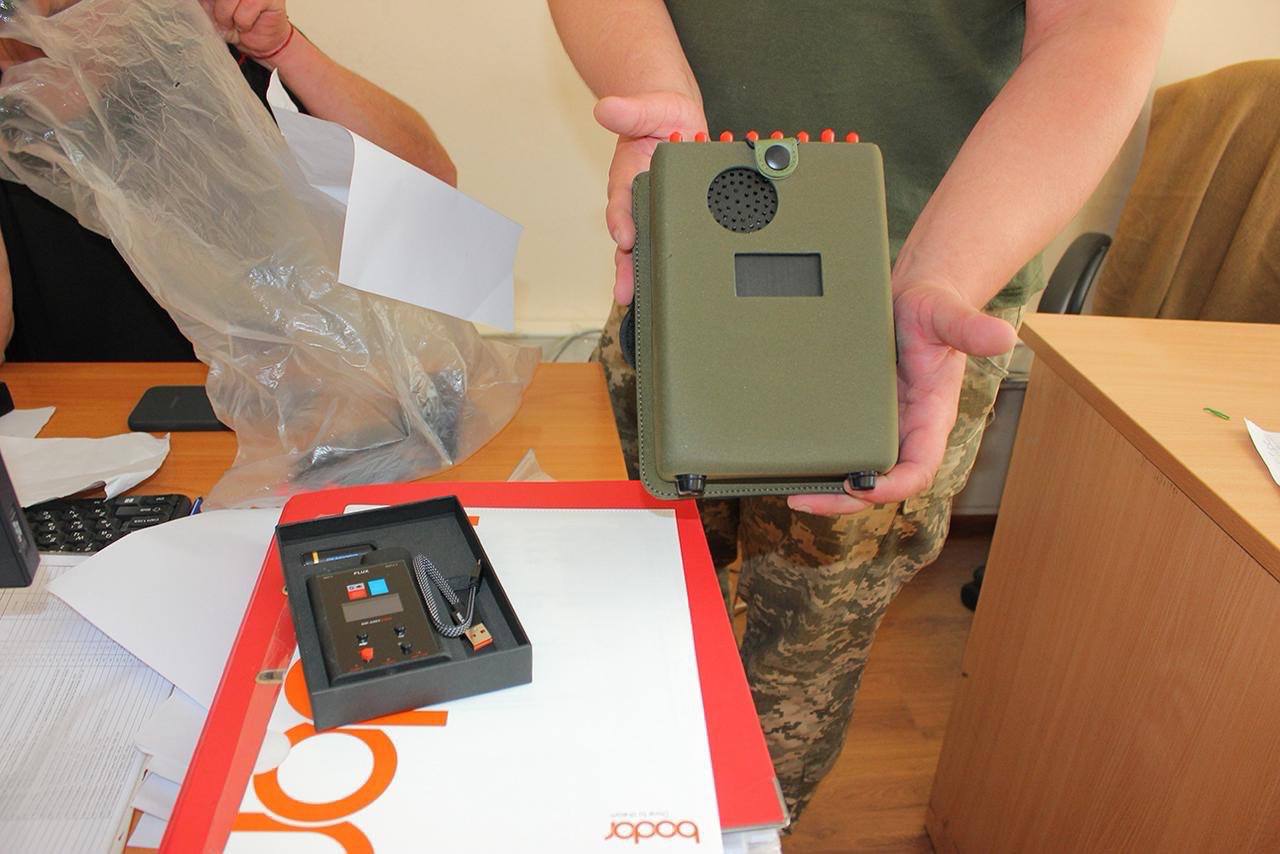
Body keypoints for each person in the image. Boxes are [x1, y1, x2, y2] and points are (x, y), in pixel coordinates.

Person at [548, 0, 1172, 820]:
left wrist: (944, 270)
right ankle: (620, 815)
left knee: (804, 650)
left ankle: (745, 828)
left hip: (931, 285)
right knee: (629, 600)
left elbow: (1101, 25)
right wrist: (661, 110)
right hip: (689, 249)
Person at [0, 0, 454, 362]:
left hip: (285, 406)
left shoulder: (202, 36)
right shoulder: (12, 107)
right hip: (68, 420)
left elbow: (430, 188)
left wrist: (281, 48)